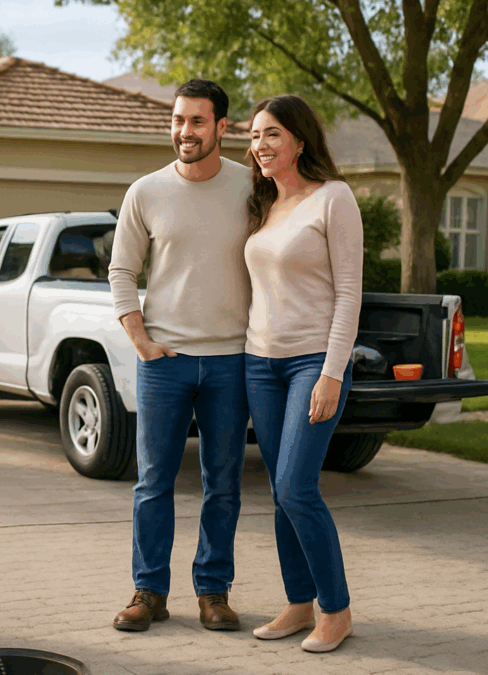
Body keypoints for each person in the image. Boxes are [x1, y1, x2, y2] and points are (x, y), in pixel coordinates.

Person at [108, 79, 252, 632]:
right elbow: (121, 270)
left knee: (224, 483)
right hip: (164, 361)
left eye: (196, 121)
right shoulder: (146, 191)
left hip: (231, 360)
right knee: (152, 483)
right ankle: (149, 592)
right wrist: (141, 341)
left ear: (221, 127)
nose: (184, 131)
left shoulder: (251, 186)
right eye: (177, 120)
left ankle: (213, 592)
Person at [243, 95, 363, 652]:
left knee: (296, 486)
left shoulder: (333, 198)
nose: (260, 145)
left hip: (313, 361)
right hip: (259, 363)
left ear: (299, 140)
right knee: (279, 490)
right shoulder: (264, 204)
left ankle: (335, 611)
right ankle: (298, 603)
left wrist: (332, 373)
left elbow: (350, 293)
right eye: (254, 136)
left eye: (271, 134)